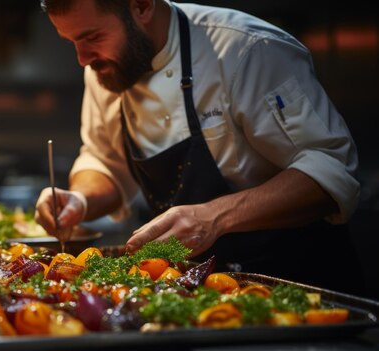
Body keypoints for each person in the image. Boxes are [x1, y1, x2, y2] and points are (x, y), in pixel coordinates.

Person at [34, 0, 364, 295]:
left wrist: (213, 218)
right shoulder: (105, 66)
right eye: (72, 42)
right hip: (194, 292)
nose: (82, 59)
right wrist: (80, 200)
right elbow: (106, 161)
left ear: (143, 6)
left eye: (91, 37)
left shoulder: (247, 50)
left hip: (297, 285)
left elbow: (330, 170)